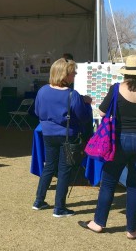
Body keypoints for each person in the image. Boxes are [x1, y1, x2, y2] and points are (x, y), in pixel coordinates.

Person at [78, 55, 136, 239]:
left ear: (126, 72)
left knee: (109, 182)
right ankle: (132, 230)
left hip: (119, 140)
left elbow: (102, 112)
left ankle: (98, 223)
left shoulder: (117, 89)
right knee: (135, 185)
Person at [33, 58, 92, 217]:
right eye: (73, 73)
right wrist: (86, 103)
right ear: (65, 75)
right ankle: (59, 208)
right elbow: (84, 117)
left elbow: (37, 112)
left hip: (48, 133)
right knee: (64, 170)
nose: (75, 75)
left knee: (49, 166)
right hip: (67, 135)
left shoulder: (42, 90)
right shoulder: (73, 95)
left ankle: (39, 200)